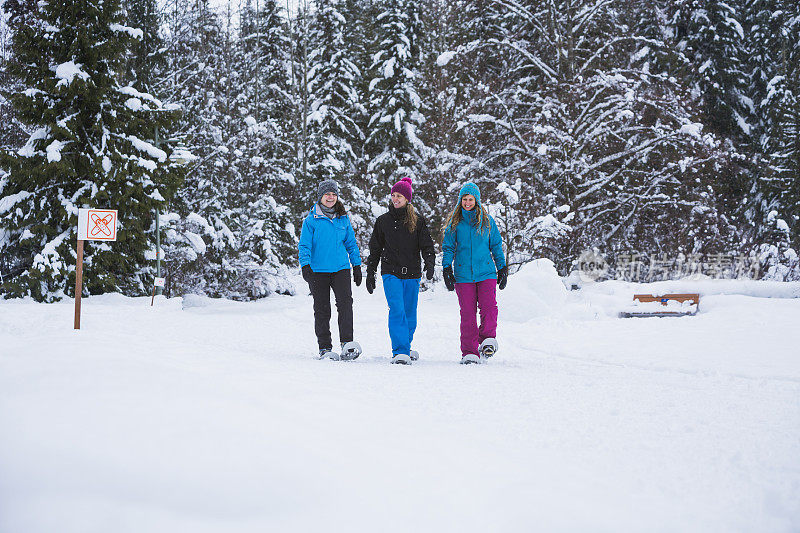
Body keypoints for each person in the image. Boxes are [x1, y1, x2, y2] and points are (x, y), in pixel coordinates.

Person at [366, 177, 436, 365]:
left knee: (410, 313)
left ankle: (405, 345)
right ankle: (400, 351)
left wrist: (430, 263)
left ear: (407, 199)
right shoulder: (383, 221)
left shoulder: (418, 221)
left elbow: (427, 245)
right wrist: (370, 271)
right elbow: (375, 249)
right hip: (391, 271)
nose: (395, 199)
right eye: (393, 195)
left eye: (400, 196)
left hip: (412, 273)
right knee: (397, 309)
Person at [441, 181, 508, 364]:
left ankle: (487, 340)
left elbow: (496, 246)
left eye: (471, 199)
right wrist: (446, 267)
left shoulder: (487, 222)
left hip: (486, 272)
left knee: (488, 308)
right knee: (468, 314)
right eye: (464, 199)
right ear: (460, 201)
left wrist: (502, 267)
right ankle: (470, 351)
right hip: (463, 275)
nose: (468, 202)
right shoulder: (455, 223)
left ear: (477, 201)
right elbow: (448, 248)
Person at [298, 180, 363, 360]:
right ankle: (325, 348)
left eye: (333, 194)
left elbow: (351, 243)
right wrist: (305, 266)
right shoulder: (311, 220)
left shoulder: (343, 218)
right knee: (322, 309)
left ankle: (347, 343)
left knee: (345, 304)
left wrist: (356, 265)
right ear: (320, 196)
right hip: (318, 271)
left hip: (341, 269)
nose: (331, 197)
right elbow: (304, 246)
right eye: (327, 194)